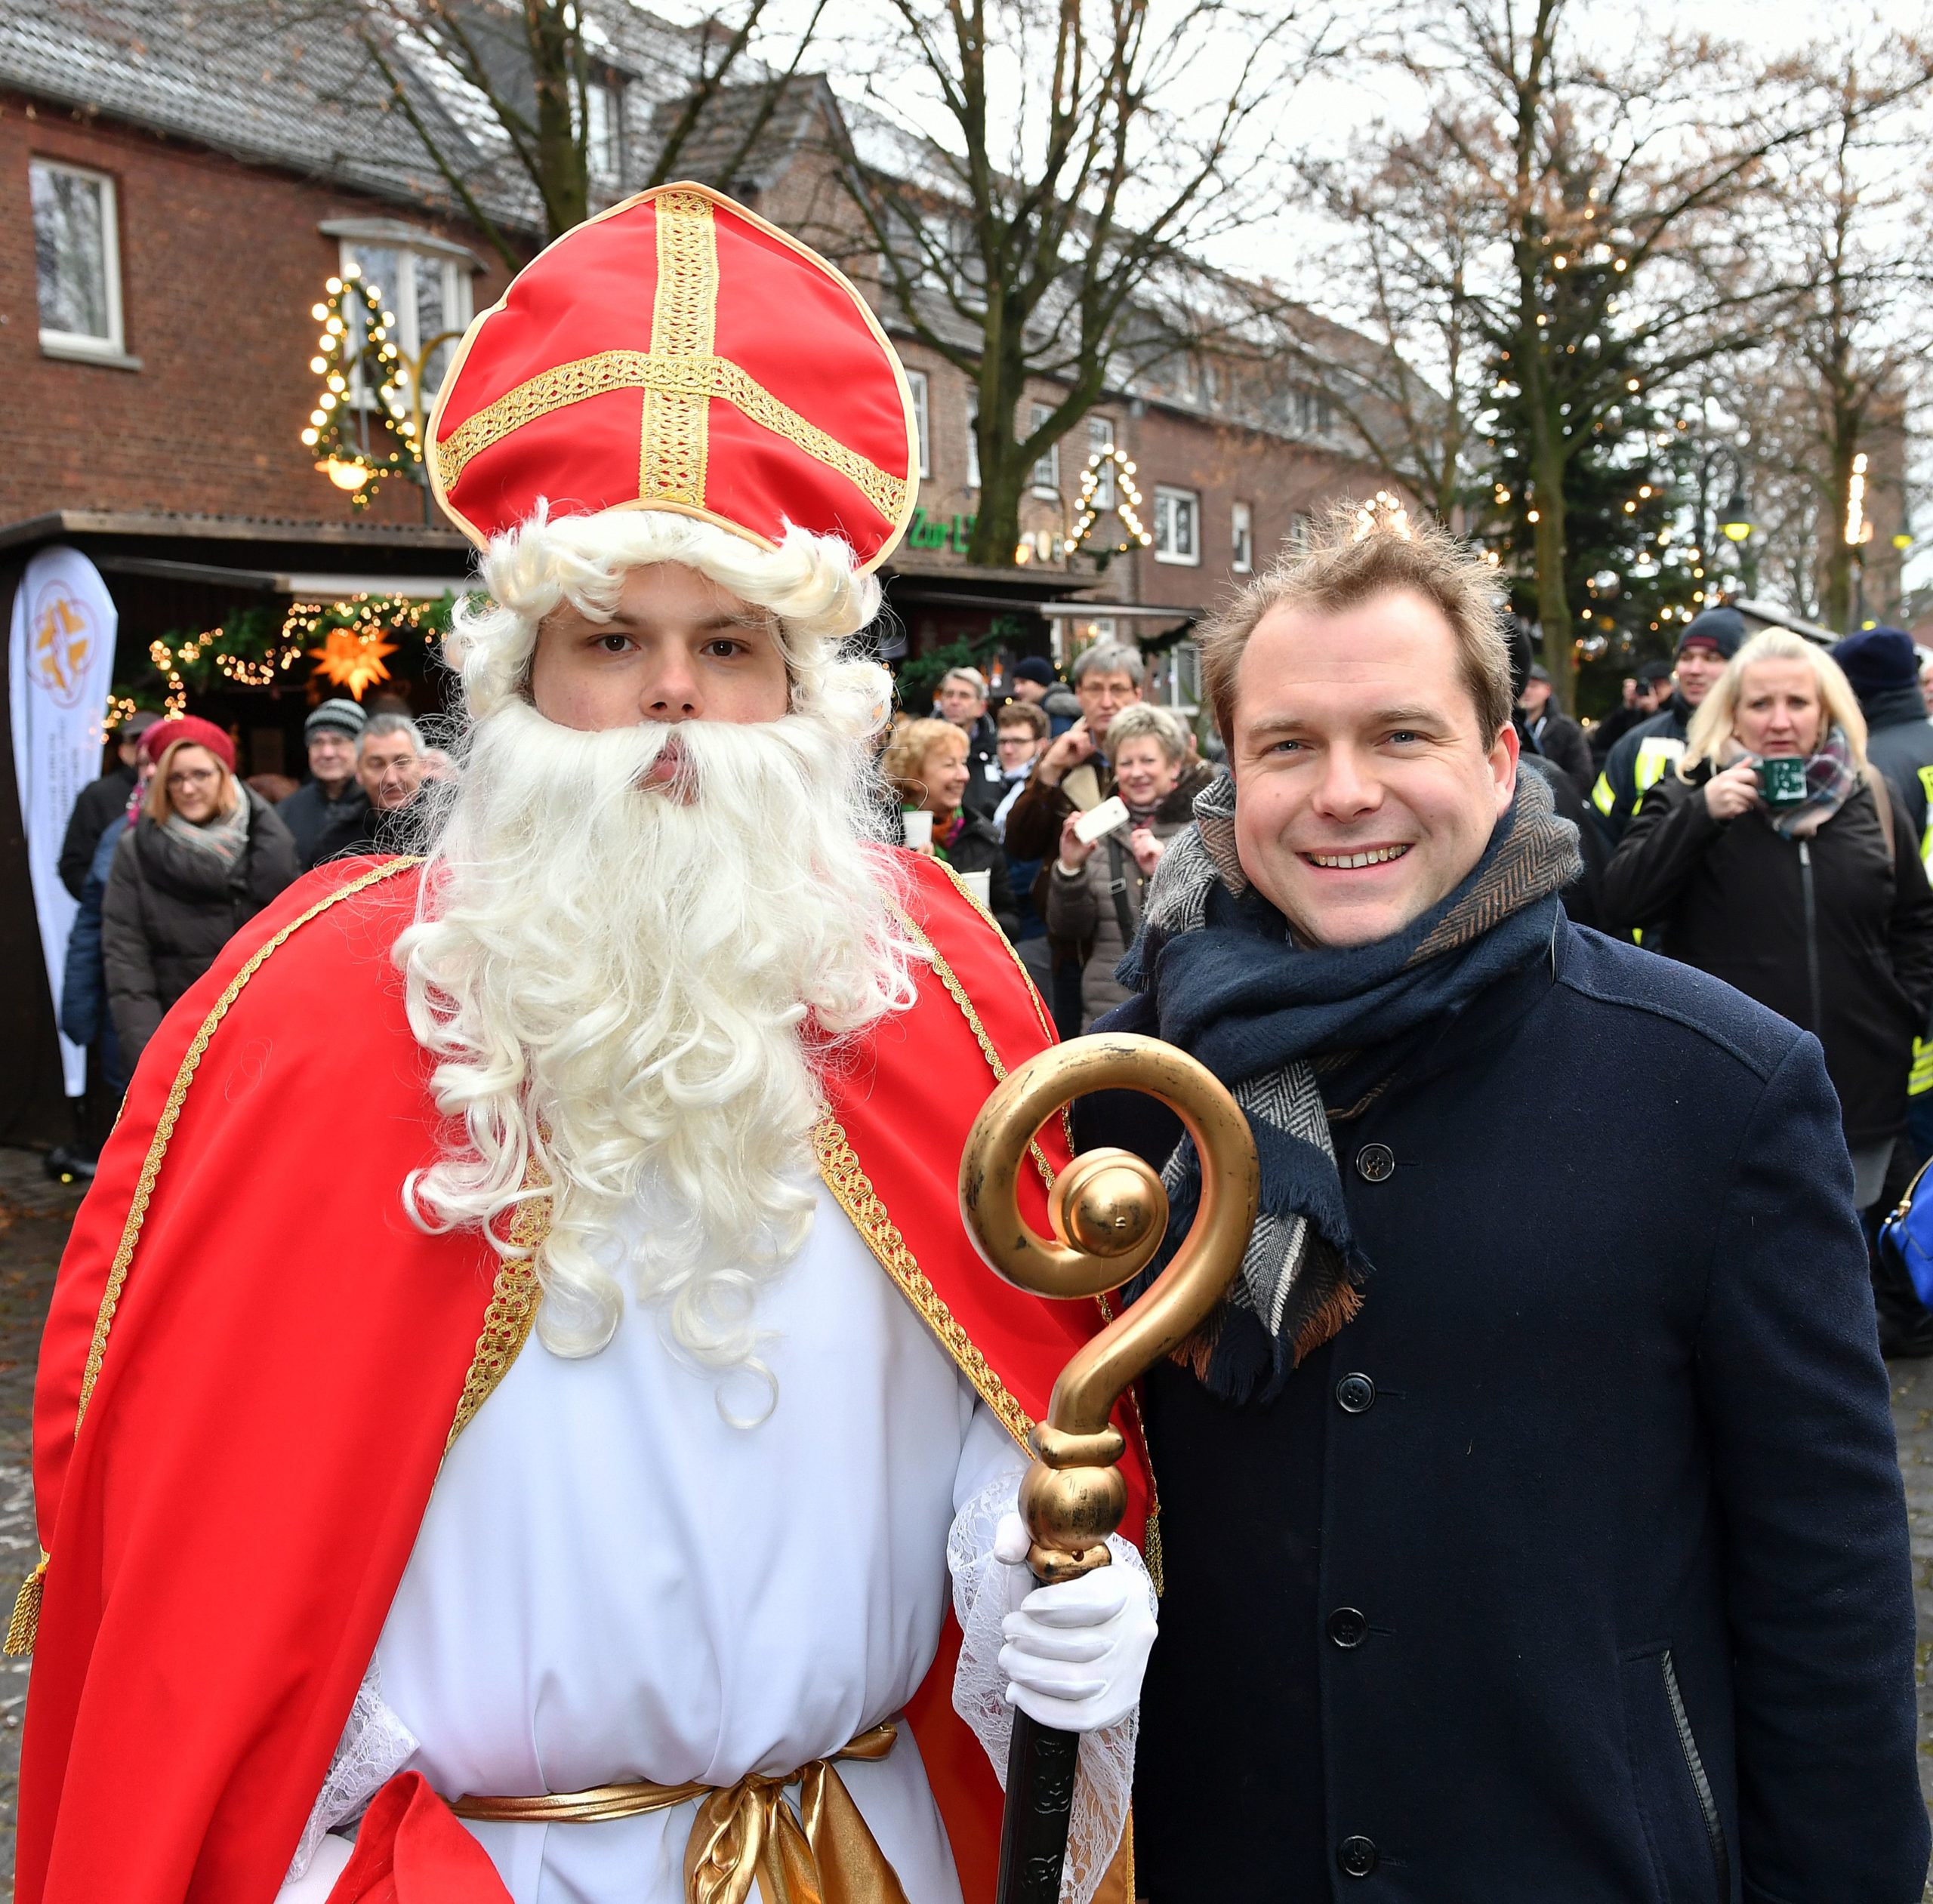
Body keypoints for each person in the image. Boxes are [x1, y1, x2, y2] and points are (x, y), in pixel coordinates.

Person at [20, 183, 1155, 1904]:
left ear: (804, 688)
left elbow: (1013, 1407)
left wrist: (1050, 1579)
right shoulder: (319, 1005)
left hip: (866, 1856)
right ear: (528, 678)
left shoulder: (925, 981)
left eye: (728, 644)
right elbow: (196, 1531)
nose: (673, 695)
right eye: (613, 639)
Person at [1074, 504, 1925, 1901]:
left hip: (1588, 1851)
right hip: (1224, 1855)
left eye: (1400, 734)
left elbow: (1826, 1587)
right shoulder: (1130, 1100)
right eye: (1290, 744)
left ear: (1501, 756)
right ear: (1229, 780)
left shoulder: (1716, 1088)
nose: (1345, 790)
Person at [1602, 630, 1933, 1217]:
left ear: (1826, 711)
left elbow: (1916, 923)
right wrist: (1703, 814)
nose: (1780, 722)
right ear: (1730, 713)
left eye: (1798, 703)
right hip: (1726, 1099)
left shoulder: (1871, 795)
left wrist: (1903, 1014)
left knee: (1847, 1271)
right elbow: (1621, 903)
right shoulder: (1688, 792)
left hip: (1860, 1099)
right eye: (1760, 704)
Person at [98, 714, 299, 1071]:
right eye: (176, 778)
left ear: (224, 773)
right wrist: (152, 1061)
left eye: (200, 775)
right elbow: (127, 964)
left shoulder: (270, 839)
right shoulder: (136, 850)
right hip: (181, 1040)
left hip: (267, 1036)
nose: (188, 789)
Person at [1002, 644, 1147, 1034]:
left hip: (1143, 937)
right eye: (1094, 689)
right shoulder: (1064, 759)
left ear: (1137, 694)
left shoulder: (1156, 757)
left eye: (1117, 690)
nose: (1106, 701)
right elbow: (1020, 844)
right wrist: (1048, 771)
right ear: (1078, 693)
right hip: (1074, 943)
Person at [1044, 704, 1213, 1026]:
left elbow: (1216, 922)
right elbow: (1069, 929)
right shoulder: (1099, 831)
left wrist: (1169, 872)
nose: (1137, 773)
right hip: (1109, 1010)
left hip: (1183, 1002)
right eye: (1126, 762)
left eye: (1148, 760)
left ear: (1174, 765)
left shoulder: (1201, 829)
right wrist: (1070, 868)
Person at [1589, 608, 1743, 842]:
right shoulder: (1635, 743)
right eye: (1686, 657)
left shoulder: (1757, 739)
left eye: (1712, 658)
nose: (1694, 669)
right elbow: (1599, 834)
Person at [882, 715, 1021, 939]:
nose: (964, 776)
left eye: (963, 762)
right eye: (949, 765)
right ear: (912, 774)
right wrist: (906, 876)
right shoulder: (882, 833)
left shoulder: (980, 833)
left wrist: (993, 923)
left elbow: (1011, 918)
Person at [56, 710, 156, 899]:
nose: (145, 748)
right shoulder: (98, 794)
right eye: (136, 741)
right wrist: (106, 901)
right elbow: (74, 865)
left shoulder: (182, 791)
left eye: (154, 742)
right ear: (122, 751)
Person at [277, 699, 373, 869]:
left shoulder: (379, 806)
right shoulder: (286, 812)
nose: (327, 753)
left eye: (338, 741)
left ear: (361, 749)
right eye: (318, 742)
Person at [336, 713, 430, 856]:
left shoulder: (452, 825)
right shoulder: (339, 842)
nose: (391, 779)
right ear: (358, 771)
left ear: (422, 765)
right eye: (377, 765)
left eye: (402, 763)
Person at [934, 666, 1005, 818]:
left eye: (964, 696)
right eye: (949, 694)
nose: (954, 701)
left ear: (981, 707)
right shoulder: (924, 747)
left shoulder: (999, 749)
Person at [1515, 661, 1592, 797]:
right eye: (1523, 686)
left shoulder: (1567, 729)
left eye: (1534, 686)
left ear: (1547, 690)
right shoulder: (1508, 727)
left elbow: (1582, 776)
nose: (1527, 691)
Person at [1589, 658, 1671, 768]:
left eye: (1658, 685)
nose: (1652, 691)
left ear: (1671, 686)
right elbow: (1601, 741)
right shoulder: (1633, 712)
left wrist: (1654, 712)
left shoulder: (1675, 708)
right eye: (1649, 685)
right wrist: (1626, 709)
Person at [1010, 655, 1080, 735]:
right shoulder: (1044, 708)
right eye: (1015, 684)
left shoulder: (1056, 710)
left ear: (1041, 683)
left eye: (1023, 682)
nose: (1017, 689)